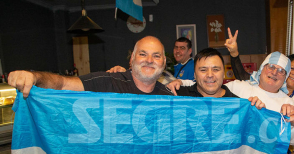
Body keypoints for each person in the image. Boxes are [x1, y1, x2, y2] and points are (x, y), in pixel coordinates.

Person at [9, 36, 173, 97]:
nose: (149, 60)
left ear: (163, 63)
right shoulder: (106, 82)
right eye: (143, 54)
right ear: (131, 59)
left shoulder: (168, 96)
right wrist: (34, 77)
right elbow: (63, 83)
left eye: (156, 56)